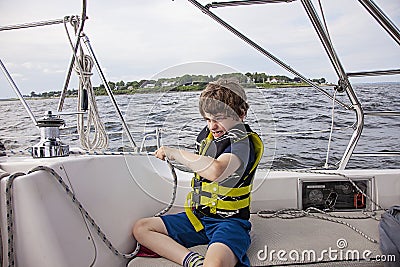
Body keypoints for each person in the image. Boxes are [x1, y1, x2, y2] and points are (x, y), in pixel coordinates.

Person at [133, 78, 263, 267]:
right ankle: (192, 261)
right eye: (208, 119)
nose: (212, 126)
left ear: (241, 114)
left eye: (218, 119)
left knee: (215, 264)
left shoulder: (243, 143)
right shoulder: (211, 136)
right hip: (199, 218)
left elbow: (216, 170)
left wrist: (174, 152)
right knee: (141, 228)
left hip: (230, 223)